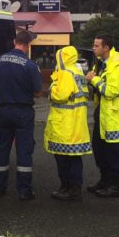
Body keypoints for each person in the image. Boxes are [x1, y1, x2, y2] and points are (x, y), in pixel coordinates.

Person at [0, 28, 41, 200]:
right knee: (24, 151)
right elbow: (37, 92)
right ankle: (24, 191)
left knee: (1, 149)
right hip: (23, 111)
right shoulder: (30, 66)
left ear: (14, 42)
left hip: (3, 111)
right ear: (27, 45)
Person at [86, 34, 119, 197]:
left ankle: (116, 186)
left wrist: (95, 80)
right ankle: (104, 181)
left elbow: (111, 92)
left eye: (97, 45)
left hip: (115, 116)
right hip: (103, 113)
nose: (94, 48)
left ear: (106, 48)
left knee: (114, 152)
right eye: (94, 45)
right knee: (99, 149)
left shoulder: (117, 65)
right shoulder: (100, 63)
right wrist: (92, 79)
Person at [44, 46, 92, 201]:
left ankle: (68, 189)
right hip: (76, 123)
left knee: (63, 159)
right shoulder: (77, 72)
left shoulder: (65, 73)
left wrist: (52, 86)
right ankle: (73, 188)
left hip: (65, 123)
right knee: (74, 158)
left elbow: (60, 95)